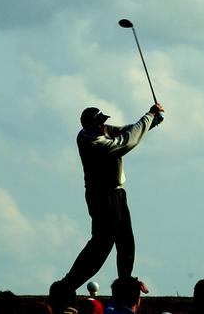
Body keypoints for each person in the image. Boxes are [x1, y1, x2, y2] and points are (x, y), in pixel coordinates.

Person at [51, 103, 164, 298]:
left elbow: (123, 130)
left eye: (104, 122)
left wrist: (151, 122)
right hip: (105, 196)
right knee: (102, 245)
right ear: (90, 127)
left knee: (125, 241)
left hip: (113, 194)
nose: (104, 126)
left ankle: (124, 282)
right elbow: (127, 140)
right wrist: (149, 116)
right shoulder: (96, 145)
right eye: (100, 124)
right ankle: (67, 286)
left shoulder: (88, 132)